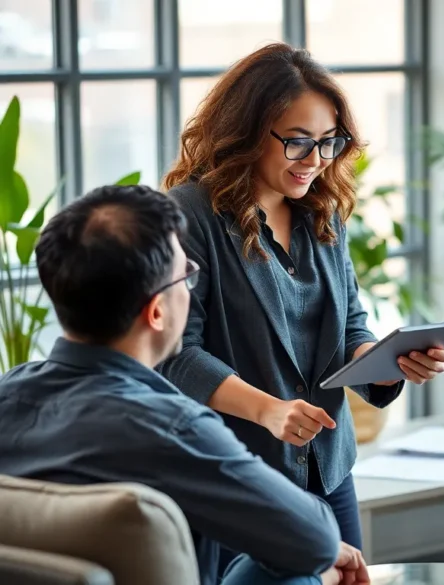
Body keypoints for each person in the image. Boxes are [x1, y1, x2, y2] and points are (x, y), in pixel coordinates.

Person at [157, 42, 444, 573]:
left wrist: (385, 365)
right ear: (246, 132)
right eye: (297, 142)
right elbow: (176, 355)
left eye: (328, 143)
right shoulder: (190, 216)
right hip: (237, 474)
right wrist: (269, 411)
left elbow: (349, 325)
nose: (315, 161)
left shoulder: (323, 213)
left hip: (328, 466)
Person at [0, 184, 368, 585]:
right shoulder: (173, 428)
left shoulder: (8, 394)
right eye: (187, 276)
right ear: (157, 311)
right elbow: (314, 539)